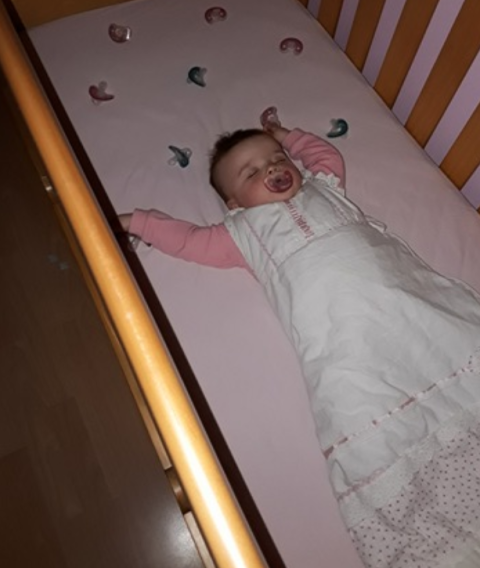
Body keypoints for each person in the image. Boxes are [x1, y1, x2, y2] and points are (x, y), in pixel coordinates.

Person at [119, 113, 480, 568]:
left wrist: (284, 134)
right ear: (233, 203)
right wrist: (136, 221)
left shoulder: (325, 188)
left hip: (409, 305)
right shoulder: (241, 234)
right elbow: (188, 240)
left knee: (452, 335)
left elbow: (325, 155)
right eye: (251, 172)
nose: (271, 167)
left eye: (277, 158)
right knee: (356, 401)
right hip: (342, 341)